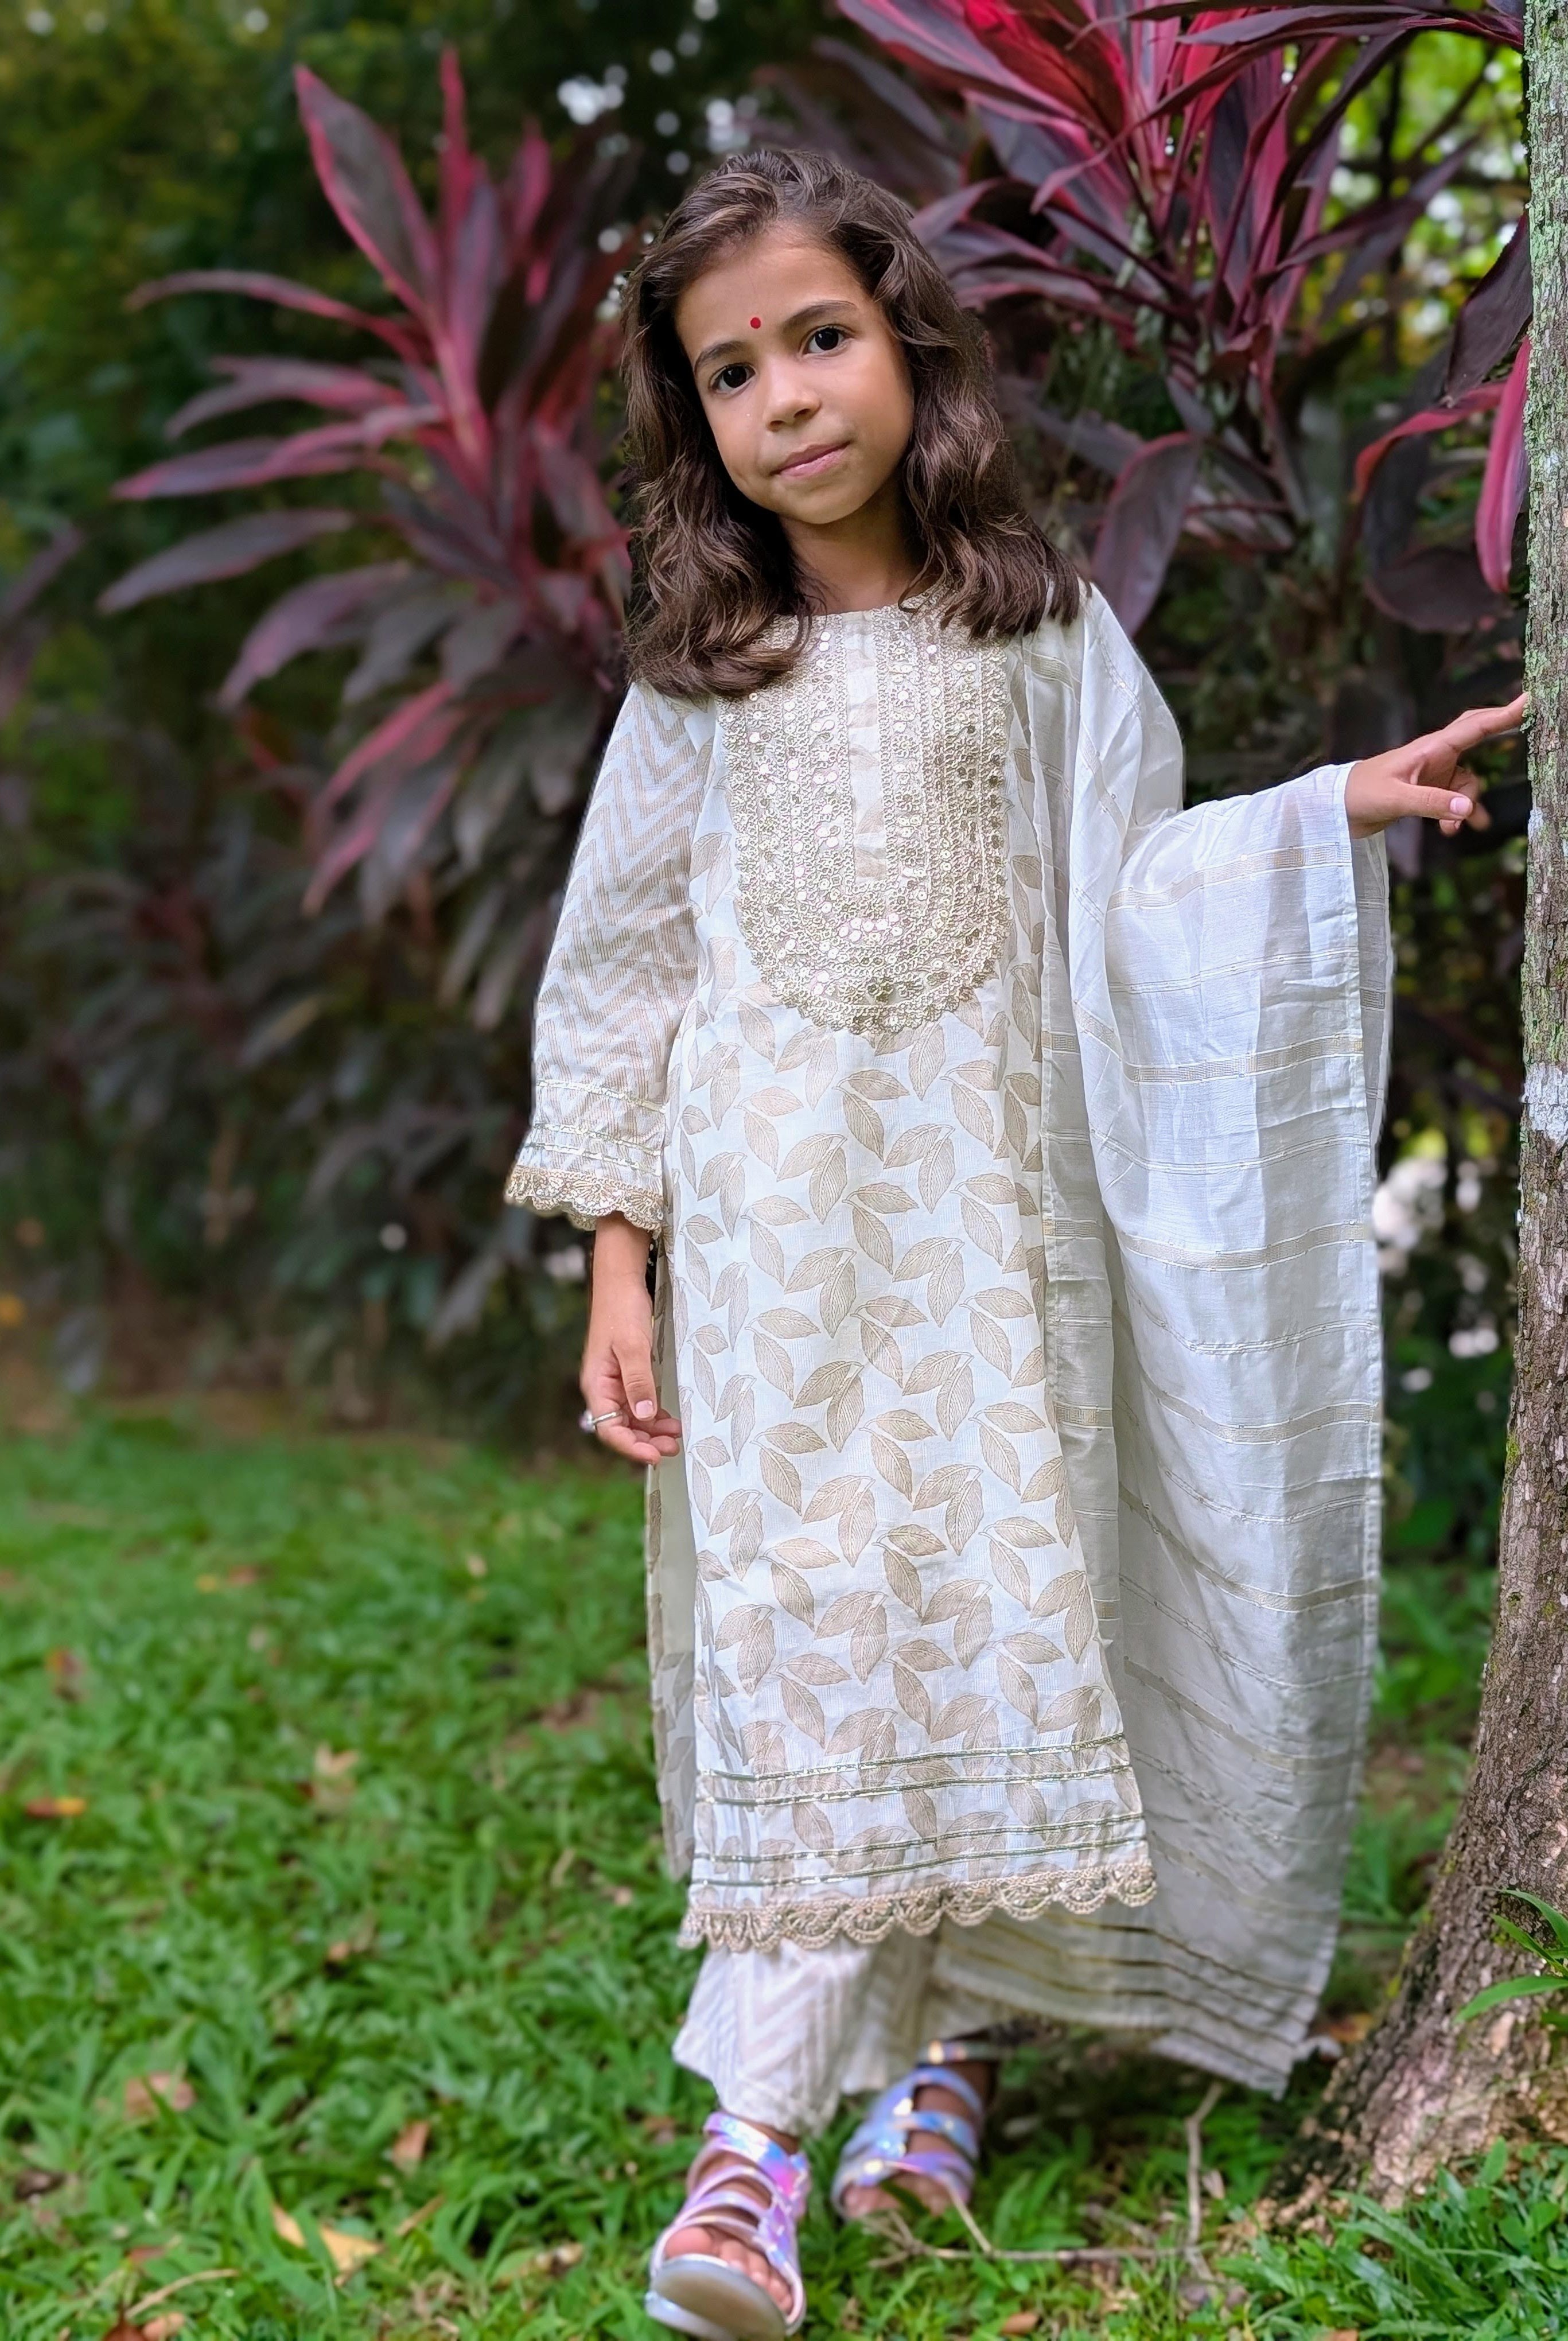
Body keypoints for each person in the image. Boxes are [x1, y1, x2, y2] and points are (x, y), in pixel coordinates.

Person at [506, 146, 1523, 2341]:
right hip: (782, 1265)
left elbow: (1139, 899)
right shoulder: (704, 677)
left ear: (909, 344)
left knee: (995, 1616)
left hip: (999, 1251)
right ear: (695, 422)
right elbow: (620, 976)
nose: (788, 396)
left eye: (821, 338)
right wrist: (620, 1257)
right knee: (814, 1635)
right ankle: (754, 2151)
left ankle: (946, 2056)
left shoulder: (1041, 635)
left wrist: (1328, 812)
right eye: (732, 372)